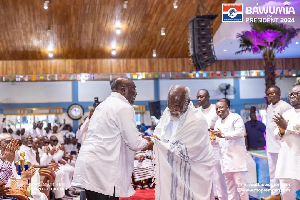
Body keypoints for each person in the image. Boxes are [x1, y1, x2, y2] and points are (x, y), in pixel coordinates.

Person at [72, 77, 153, 200]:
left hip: (92, 163)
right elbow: (134, 143)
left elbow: (115, 137)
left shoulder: (103, 105)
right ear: (123, 90)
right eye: (134, 88)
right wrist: (150, 143)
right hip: (103, 167)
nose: (136, 92)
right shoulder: (123, 107)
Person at [153, 85, 214, 200]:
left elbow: (188, 151)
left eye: (176, 105)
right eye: (169, 104)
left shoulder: (197, 120)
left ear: (187, 102)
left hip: (194, 170)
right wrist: (155, 140)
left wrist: (157, 145)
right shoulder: (168, 112)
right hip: (172, 166)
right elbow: (159, 132)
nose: (172, 109)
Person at [212, 98, 249, 200]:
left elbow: (240, 133)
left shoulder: (235, 117)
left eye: (221, 107)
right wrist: (213, 139)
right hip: (225, 161)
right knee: (230, 189)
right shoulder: (217, 123)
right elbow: (219, 140)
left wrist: (223, 135)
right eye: (216, 108)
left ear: (227, 107)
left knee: (241, 188)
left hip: (237, 160)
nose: (218, 110)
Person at [262, 86, 292, 200]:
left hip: (282, 146)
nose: (270, 96)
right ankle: (275, 194)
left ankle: (287, 195)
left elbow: (289, 126)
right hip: (270, 145)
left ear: (279, 94)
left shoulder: (285, 106)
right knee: (272, 171)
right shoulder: (269, 107)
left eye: (273, 94)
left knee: (284, 172)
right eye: (268, 94)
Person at [197, 89, 227, 199]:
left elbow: (224, 124)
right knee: (206, 176)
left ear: (208, 97)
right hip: (202, 148)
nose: (199, 99)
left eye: (202, 96)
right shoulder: (196, 112)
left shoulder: (216, 108)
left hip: (216, 146)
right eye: (198, 97)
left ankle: (222, 197)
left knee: (218, 176)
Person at [273, 84, 300, 199]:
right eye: (291, 94)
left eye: (296, 94)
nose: (292, 96)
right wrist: (281, 130)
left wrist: (287, 126)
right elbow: (276, 134)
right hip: (288, 161)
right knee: (286, 193)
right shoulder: (287, 113)